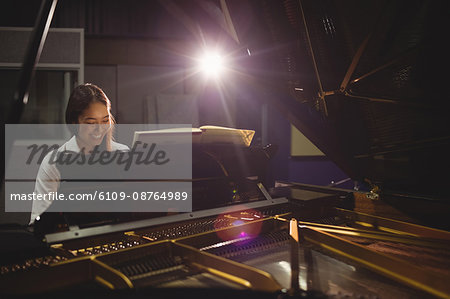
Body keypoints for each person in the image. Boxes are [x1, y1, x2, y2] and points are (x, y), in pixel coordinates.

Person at [30, 83, 129, 224]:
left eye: (105, 120)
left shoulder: (123, 153)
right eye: (91, 123)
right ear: (73, 123)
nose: (100, 129)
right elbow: (38, 220)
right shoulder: (54, 162)